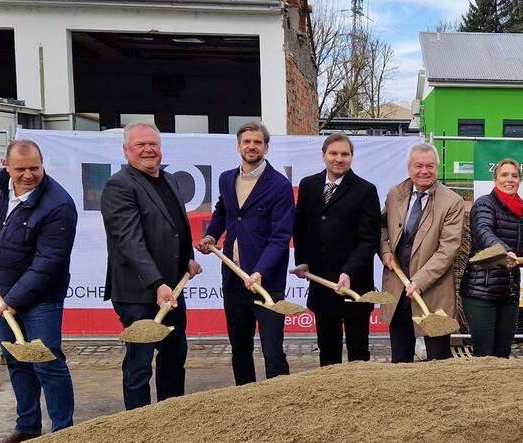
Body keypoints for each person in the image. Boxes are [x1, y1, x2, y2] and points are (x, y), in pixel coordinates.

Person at [0, 140, 77, 443]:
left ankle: (63, 435)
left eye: (35, 168)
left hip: (40, 297)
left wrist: (14, 300)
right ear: (6, 165)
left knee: (46, 361)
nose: (28, 175)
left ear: (43, 165)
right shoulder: (0, 186)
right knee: (17, 360)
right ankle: (27, 427)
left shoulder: (58, 205)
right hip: (2, 292)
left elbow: (48, 262)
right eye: (21, 169)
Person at [101, 122, 202, 409]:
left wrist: (187, 260)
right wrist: (157, 283)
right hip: (138, 293)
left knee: (174, 356)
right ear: (126, 150)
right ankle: (138, 424)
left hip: (171, 291)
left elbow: (173, 228)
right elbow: (128, 241)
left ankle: (169, 417)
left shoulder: (168, 179)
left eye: (153, 144)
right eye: (140, 145)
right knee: (140, 363)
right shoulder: (119, 185)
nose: (148, 149)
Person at [197, 122, 294, 383]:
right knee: (240, 348)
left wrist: (260, 271)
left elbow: (280, 237)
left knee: (272, 349)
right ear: (239, 145)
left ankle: (282, 400)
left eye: (257, 142)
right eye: (247, 142)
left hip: (266, 282)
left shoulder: (279, 185)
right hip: (233, 278)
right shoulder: (227, 178)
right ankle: (244, 399)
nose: (252, 146)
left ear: (266, 147)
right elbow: (222, 210)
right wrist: (211, 236)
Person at [291, 133, 381, 366]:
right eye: (333, 153)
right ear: (323, 155)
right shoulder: (309, 185)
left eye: (344, 154)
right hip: (322, 283)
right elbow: (300, 226)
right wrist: (302, 260)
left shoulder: (365, 190)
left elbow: (369, 239)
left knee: (358, 353)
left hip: (355, 285)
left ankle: (360, 397)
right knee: (328, 352)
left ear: (351, 157)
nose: (338, 159)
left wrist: (348, 272)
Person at [379, 143, 465, 362]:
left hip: (433, 290)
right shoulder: (395, 193)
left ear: (437, 167)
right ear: (409, 168)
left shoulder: (452, 202)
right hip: (398, 290)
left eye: (430, 166)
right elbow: (380, 227)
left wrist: (419, 280)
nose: (424, 171)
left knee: (438, 360)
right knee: (400, 358)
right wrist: (385, 250)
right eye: (418, 166)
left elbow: (448, 249)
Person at [461, 158, 523, 358]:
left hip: (509, 292)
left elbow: (516, 249)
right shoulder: (484, 204)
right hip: (481, 291)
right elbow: (483, 232)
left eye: (514, 175)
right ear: (495, 180)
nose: (509, 180)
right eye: (504, 175)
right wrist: (506, 251)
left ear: (520, 180)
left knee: (503, 352)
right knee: (485, 353)